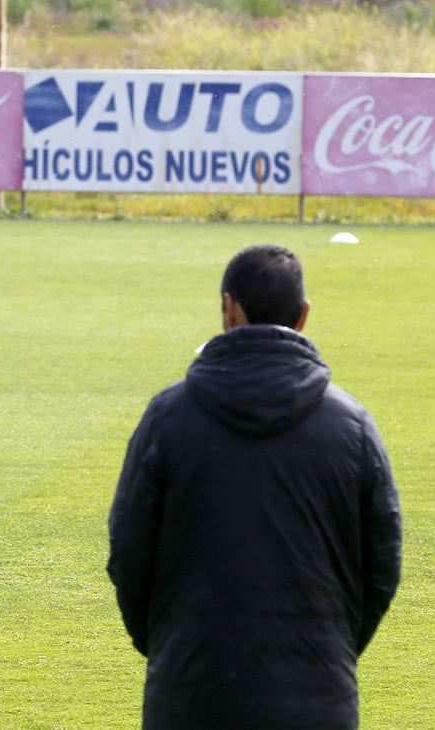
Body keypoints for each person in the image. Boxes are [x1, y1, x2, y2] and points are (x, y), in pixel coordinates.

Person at [107, 244, 402, 728]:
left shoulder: (168, 418)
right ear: (304, 316)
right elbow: (382, 565)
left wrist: (166, 646)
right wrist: (331, 651)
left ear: (228, 307)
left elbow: (130, 552)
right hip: (317, 700)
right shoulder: (352, 426)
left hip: (190, 693)